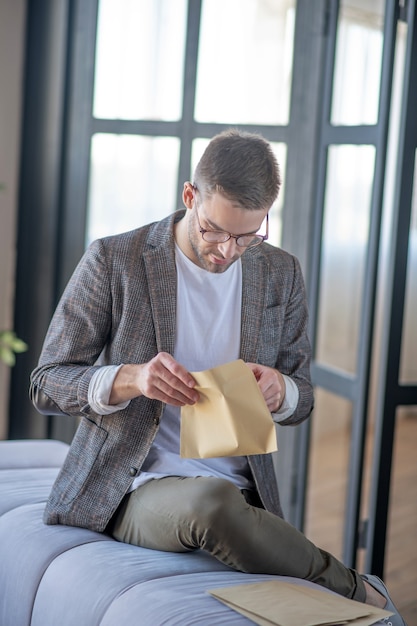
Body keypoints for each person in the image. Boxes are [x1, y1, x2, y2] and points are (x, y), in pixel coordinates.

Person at [30, 129, 405, 625]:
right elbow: (47, 382)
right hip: (135, 485)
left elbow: (305, 398)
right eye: (214, 230)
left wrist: (282, 390)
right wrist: (130, 379)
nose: (227, 250)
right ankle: (360, 590)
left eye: (247, 235)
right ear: (190, 196)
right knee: (212, 504)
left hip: (243, 491)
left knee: (223, 501)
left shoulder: (280, 273)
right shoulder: (115, 259)